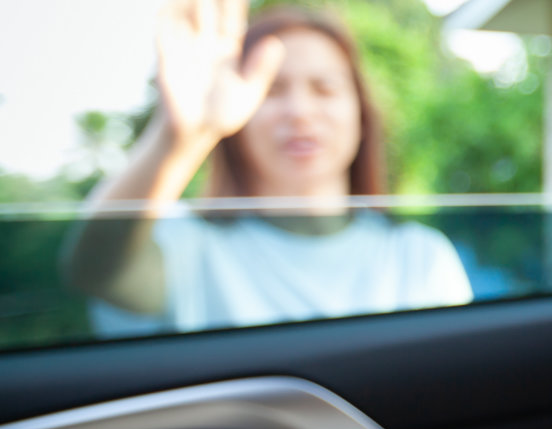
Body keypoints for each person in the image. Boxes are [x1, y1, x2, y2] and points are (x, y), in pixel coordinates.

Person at [62, 0, 470, 335]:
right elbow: (94, 271)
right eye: (271, 90)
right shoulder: (187, 247)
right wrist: (182, 136)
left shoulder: (419, 257)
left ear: (361, 115)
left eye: (324, 87)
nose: (300, 112)